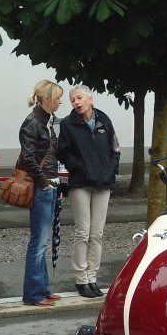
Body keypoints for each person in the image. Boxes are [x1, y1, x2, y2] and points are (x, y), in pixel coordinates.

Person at [58, 86, 120, 299]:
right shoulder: (68, 124)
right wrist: (78, 166)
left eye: (79, 98)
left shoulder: (104, 120)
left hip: (103, 183)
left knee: (97, 233)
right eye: (72, 99)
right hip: (80, 183)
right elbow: (63, 151)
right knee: (82, 231)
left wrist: (111, 170)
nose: (76, 102)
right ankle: (81, 279)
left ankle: (92, 276)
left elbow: (115, 149)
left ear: (90, 99)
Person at [21, 79, 63, 307]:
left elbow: (51, 155)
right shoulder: (33, 123)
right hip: (41, 187)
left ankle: (42, 289)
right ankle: (34, 294)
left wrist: (54, 184)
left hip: (48, 185)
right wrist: (45, 183)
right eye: (57, 97)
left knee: (43, 241)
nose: (60, 101)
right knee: (38, 241)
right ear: (46, 99)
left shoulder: (45, 121)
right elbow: (28, 158)